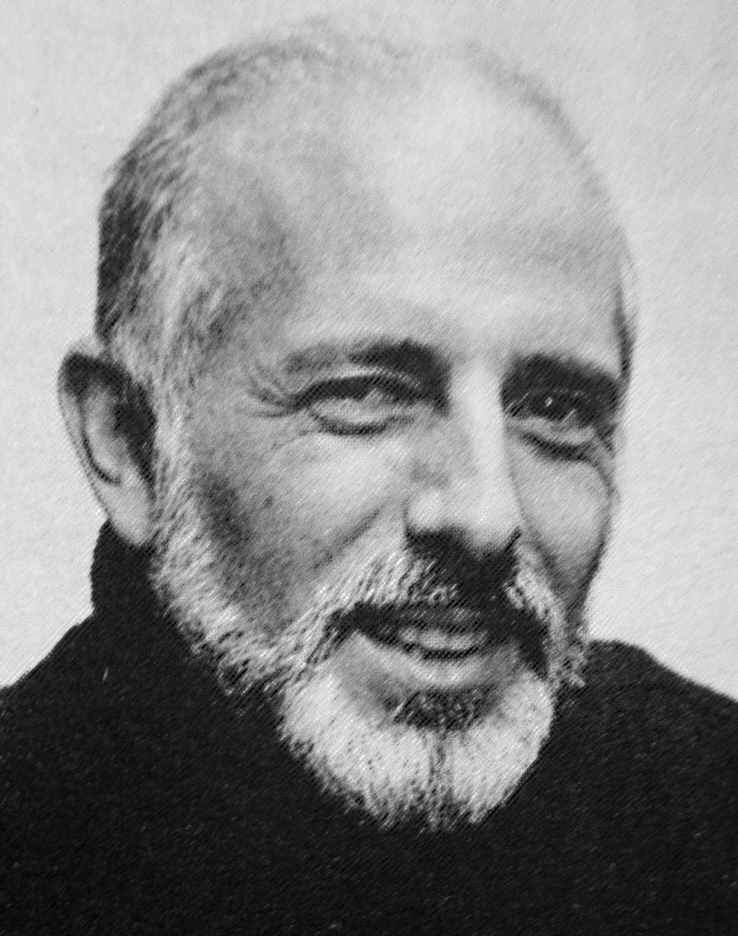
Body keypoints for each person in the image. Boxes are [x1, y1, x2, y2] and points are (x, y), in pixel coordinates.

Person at [1, 20, 736, 935]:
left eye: (555, 408)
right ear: (127, 442)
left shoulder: (709, 809)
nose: (485, 514)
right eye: (367, 394)